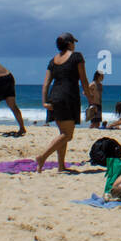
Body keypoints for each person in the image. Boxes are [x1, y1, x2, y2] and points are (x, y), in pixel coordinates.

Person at [36, 33, 89, 171]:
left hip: (55, 96)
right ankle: (42, 156)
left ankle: (61, 166)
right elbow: (83, 80)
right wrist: (90, 98)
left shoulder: (53, 61)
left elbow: (46, 83)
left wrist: (44, 101)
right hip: (68, 97)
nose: (75, 45)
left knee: (62, 133)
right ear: (69, 43)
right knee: (67, 135)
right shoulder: (77, 56)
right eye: (73, 42)